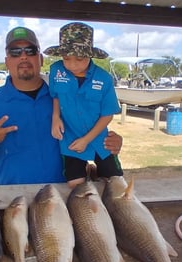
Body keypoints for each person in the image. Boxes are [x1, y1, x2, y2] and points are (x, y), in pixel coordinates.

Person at [0, 26, 122, 185]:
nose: (23, 57)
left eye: (30, 50)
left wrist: (111, 142)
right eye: (15, 52)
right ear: (7, 62)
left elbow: (95, 121)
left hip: (65, 199)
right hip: (15, 200)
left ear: (41, 59)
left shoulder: (65, 96)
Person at [44, 22, 123, 188]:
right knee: (75, 186)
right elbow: (56, 95)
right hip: (70, 137)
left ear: (90, 56)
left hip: (99, 139)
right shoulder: (55, 71)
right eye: (66, 58)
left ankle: (94, 173)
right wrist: (55, 117)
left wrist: (87, 139)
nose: (72, 64)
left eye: (79, 59)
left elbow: (108, 114)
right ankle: (86, 172)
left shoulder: (104, 79)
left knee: (115, 183)